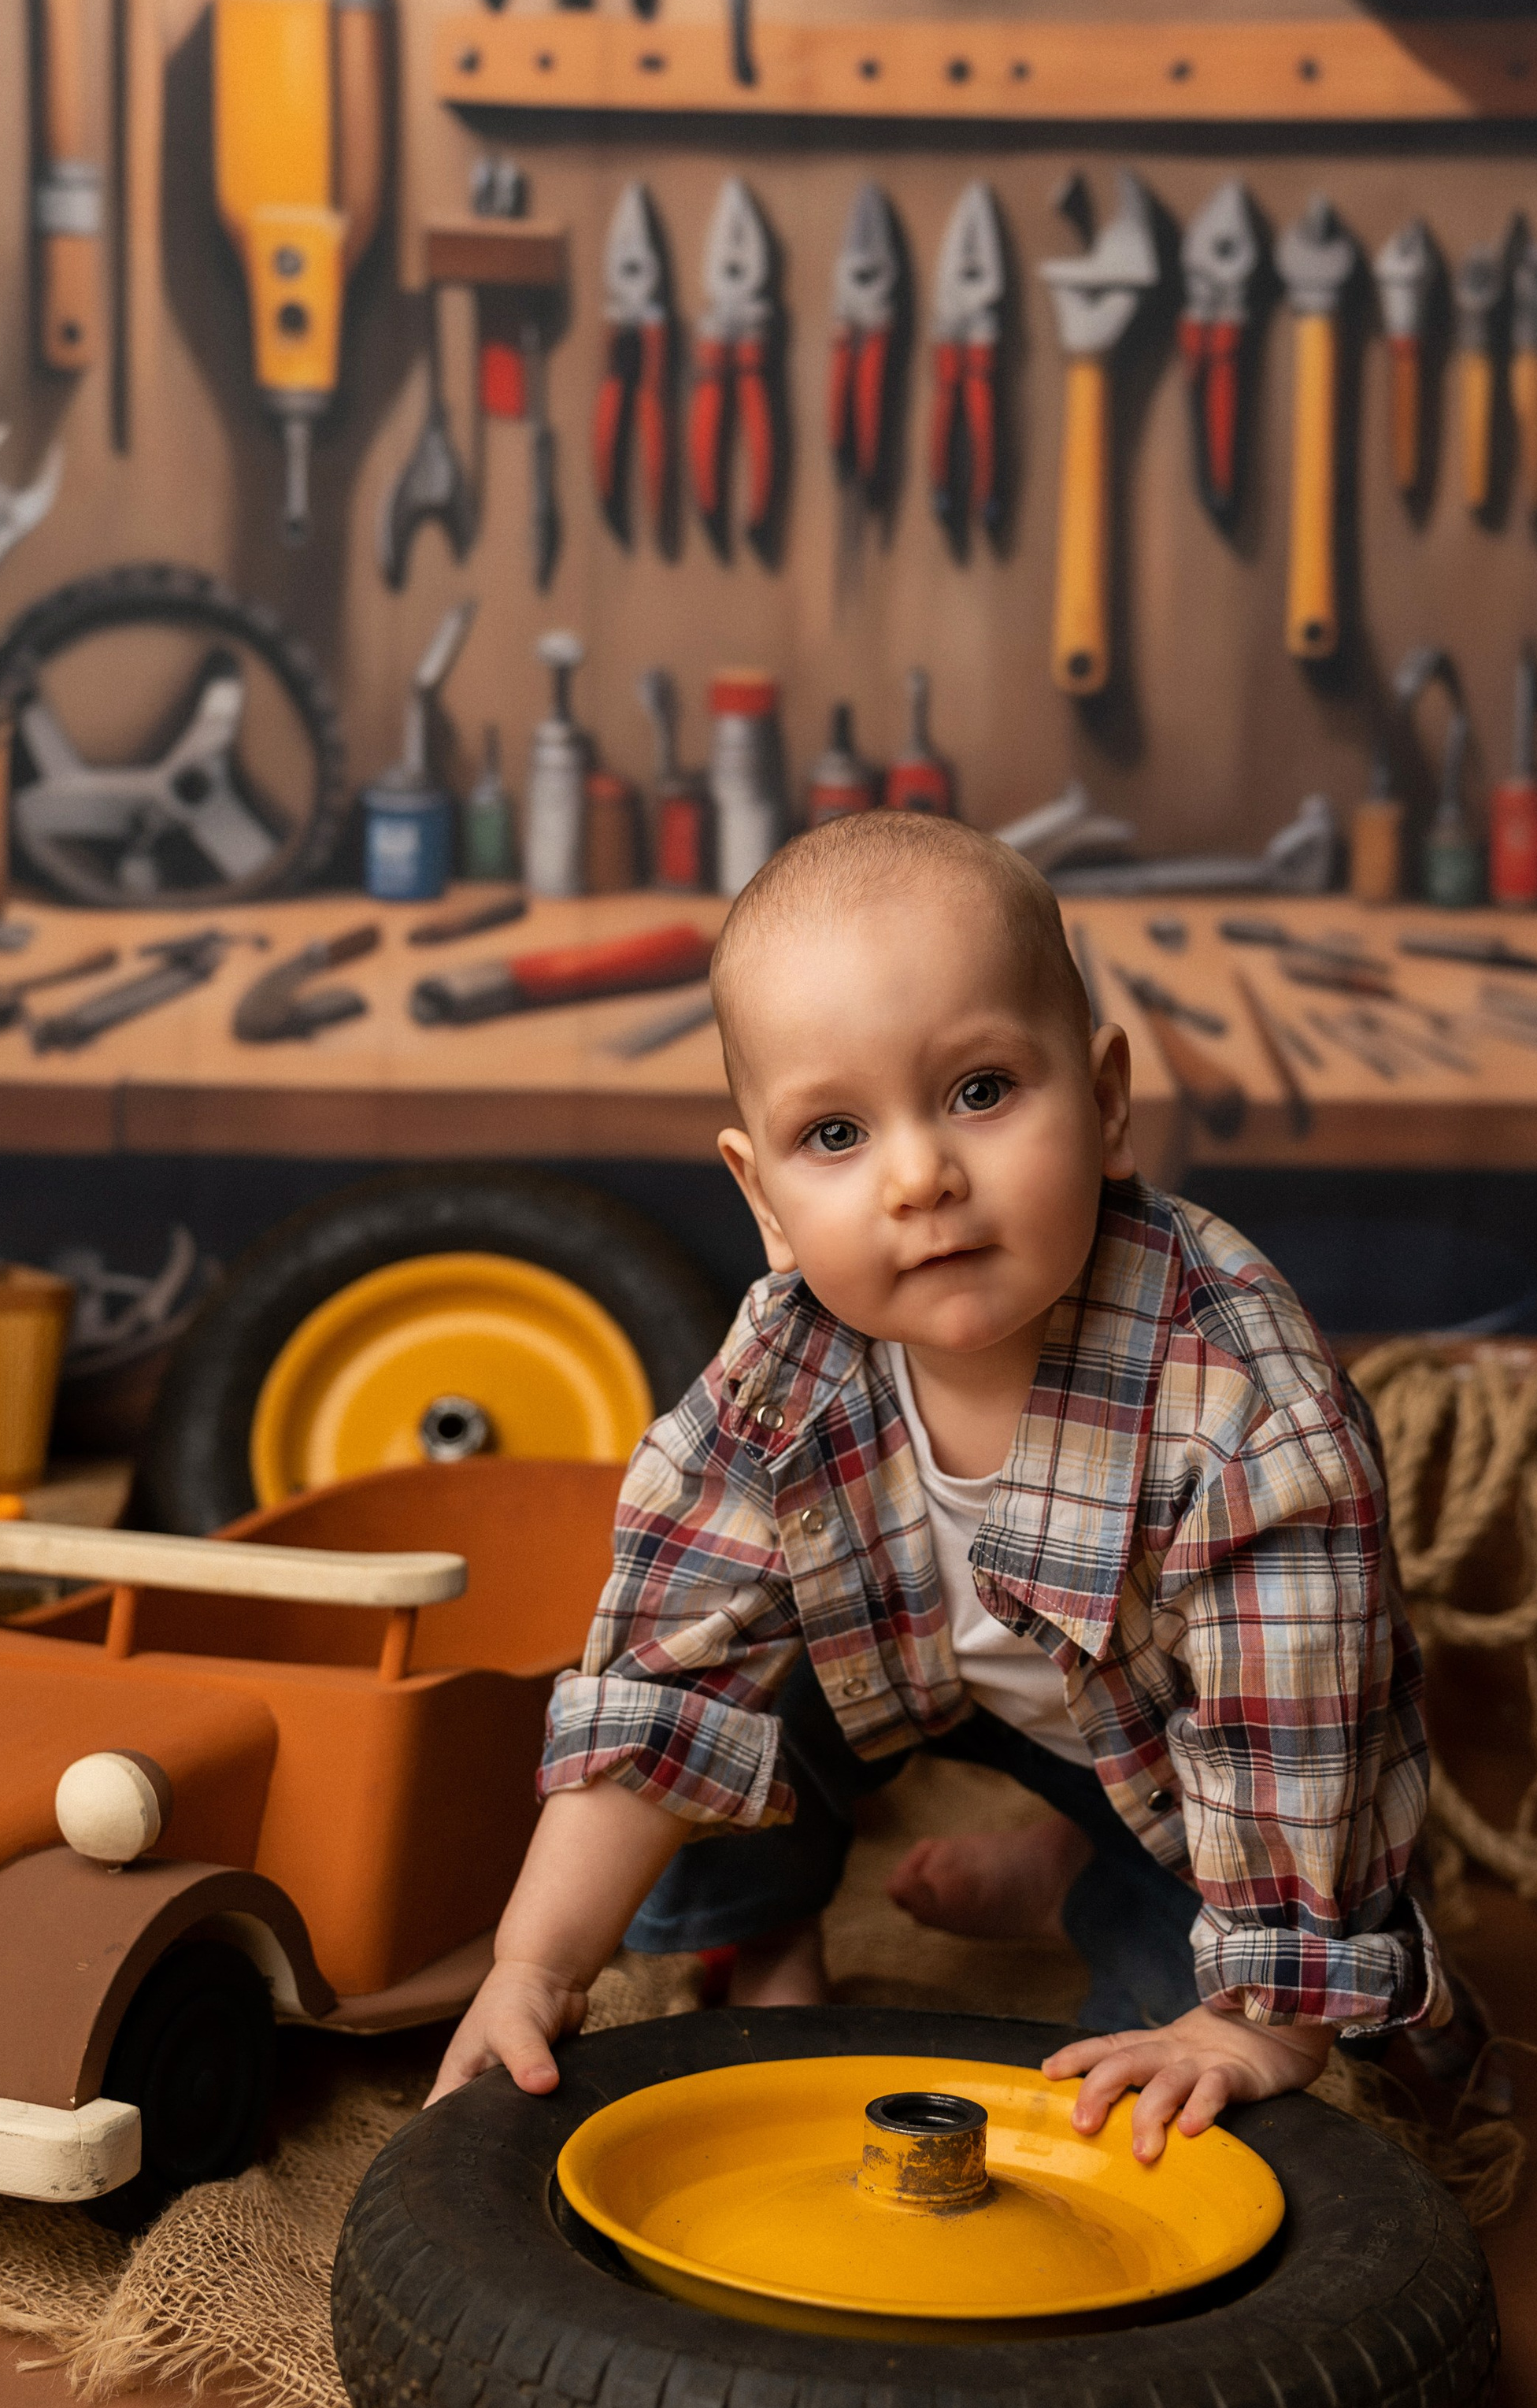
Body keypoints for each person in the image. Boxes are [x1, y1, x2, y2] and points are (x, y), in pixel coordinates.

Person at [428, 813, 1444, 2157]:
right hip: (931, 1679)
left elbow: (1292, 1742)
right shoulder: (782, 1365)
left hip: (1190, 1762)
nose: (921, 1177)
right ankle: (765, 1936)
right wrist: (535, 1969)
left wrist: (1261, 2021)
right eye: (838, 1133)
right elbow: (659, 1680)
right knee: (732, 1686)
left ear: (1108, 1102)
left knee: (1175, 2083)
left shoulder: (1239, 1410)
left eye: (980, 1091)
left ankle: (1088, 1865)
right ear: (768, 1201)